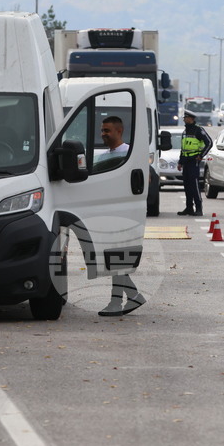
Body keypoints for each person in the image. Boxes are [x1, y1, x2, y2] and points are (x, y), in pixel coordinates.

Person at [97, 116, 146, 317]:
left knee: (116, 261)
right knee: (114, 262)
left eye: (107, 130)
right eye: (102, 130)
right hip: (107, 217)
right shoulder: (102, 157)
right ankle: (130, 297)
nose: (103, 134)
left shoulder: (129, 154)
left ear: (119, 131)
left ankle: (118, 301)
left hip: (124, 216)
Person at [177, 111, 212, 216]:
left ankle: (199, 208)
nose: (184, 119)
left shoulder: (198, 130)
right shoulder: (185, 131)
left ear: (191, 118)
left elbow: (209, 143)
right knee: (187, 186)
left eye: (185, 117)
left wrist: (201, 156)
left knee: (194, 185)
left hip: (193, 161)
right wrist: (180, 162)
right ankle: (189, 208)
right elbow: (183, 149)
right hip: (186, 162)